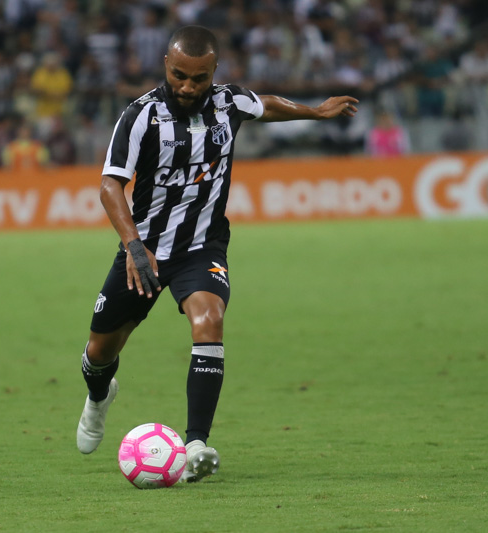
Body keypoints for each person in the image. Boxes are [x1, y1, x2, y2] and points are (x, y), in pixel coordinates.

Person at [75, 25, 358, 483]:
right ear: (166, 66)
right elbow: (110, 185)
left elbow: (265, 105)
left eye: (199, 78)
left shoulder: (229, 102)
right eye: (179, 75)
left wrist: (316, 112)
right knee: (99, 351)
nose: (188, 87)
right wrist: (133, 245)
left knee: (209, 320)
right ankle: (98, 397)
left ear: (214, 73)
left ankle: (195, 446)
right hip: (143, 249)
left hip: (202, 246)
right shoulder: (140, 116)